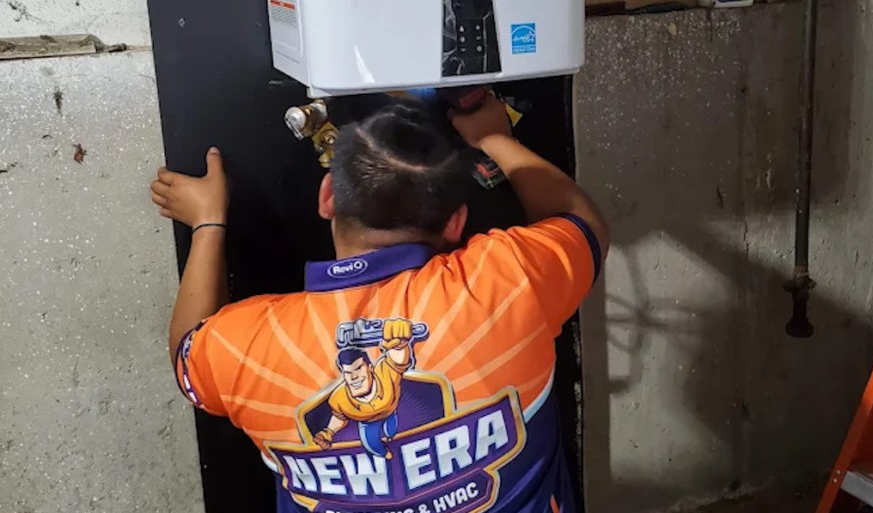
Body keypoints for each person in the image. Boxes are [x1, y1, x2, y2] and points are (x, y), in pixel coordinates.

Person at [151, 94, 608, 513]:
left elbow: (187, 356)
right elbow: (583, 224)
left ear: (327, 197)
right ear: (456, 224)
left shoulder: (249, 348)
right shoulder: (510, 282)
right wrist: (493, 137)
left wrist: (207, 222)